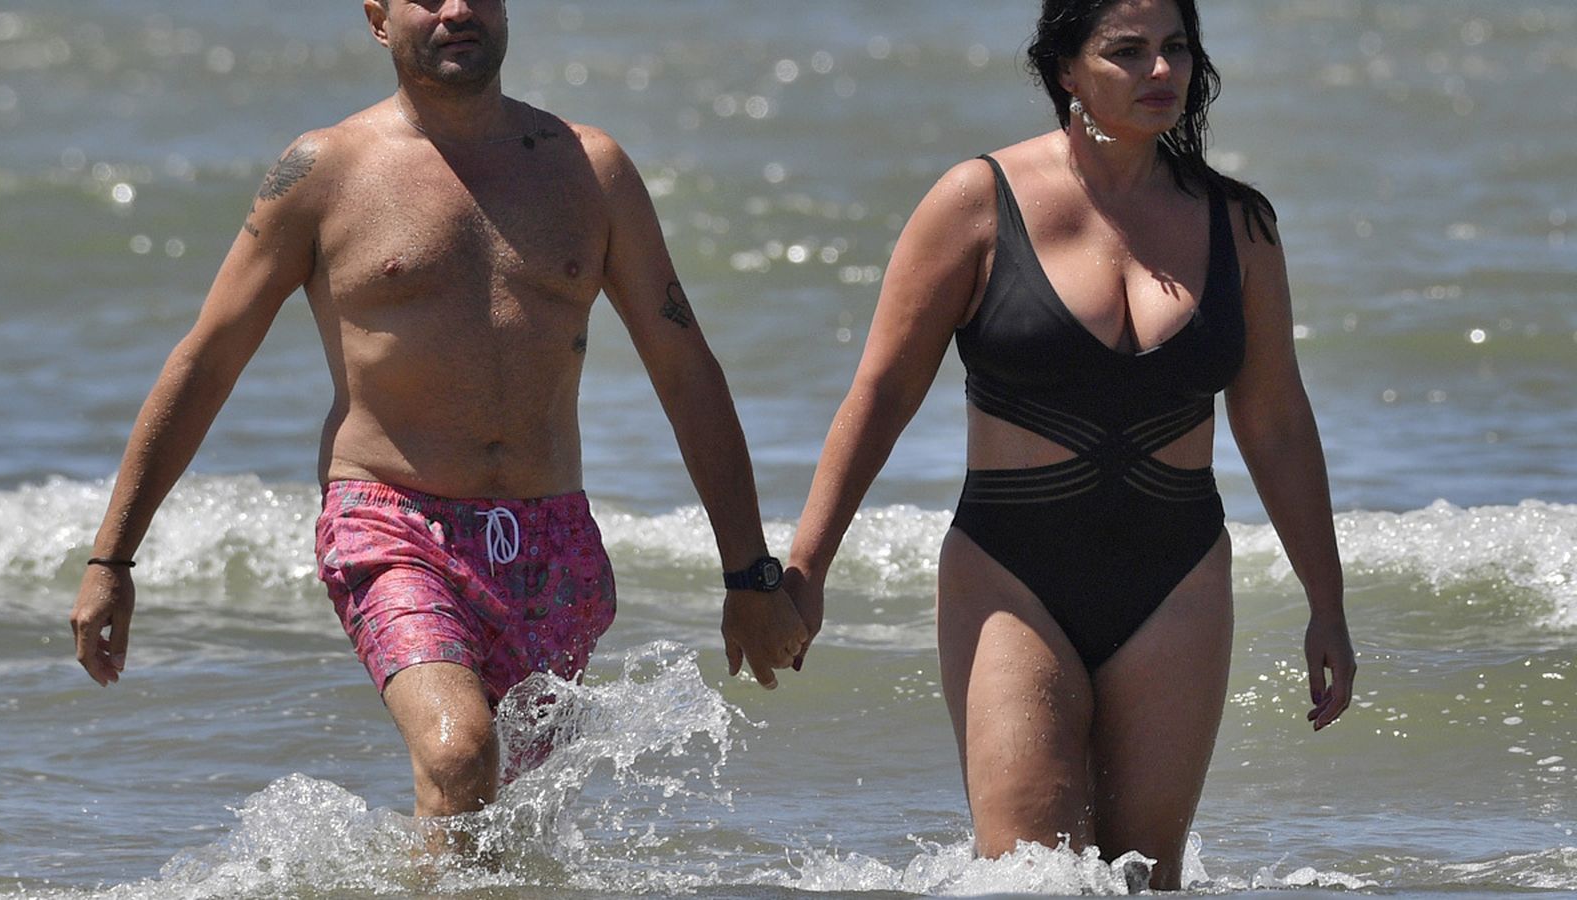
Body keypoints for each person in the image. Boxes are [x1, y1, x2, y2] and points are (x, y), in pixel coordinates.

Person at [69, 0, 808, 830]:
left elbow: (685, 370)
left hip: (552, 537)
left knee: (510, 822)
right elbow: (209, 360)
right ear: (378, 20)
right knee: (461, 754)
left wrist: (750, 573)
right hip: (391, 521)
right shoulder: (323, 171)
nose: (458, 10)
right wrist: (113, 558)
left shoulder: (589, 169)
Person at [783, 0, 1355, 889]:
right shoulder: (977, 202)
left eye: (1175, 49)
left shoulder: (1238, 224)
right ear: (1065, 70)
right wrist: (807, 568)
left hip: (1178, 575)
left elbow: (1276, 420)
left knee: (1143, 877)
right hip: (1013, 572)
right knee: (1031, 874)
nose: (1161, 72)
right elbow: (884, 392)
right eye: (1127, 52)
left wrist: (1328, 602)